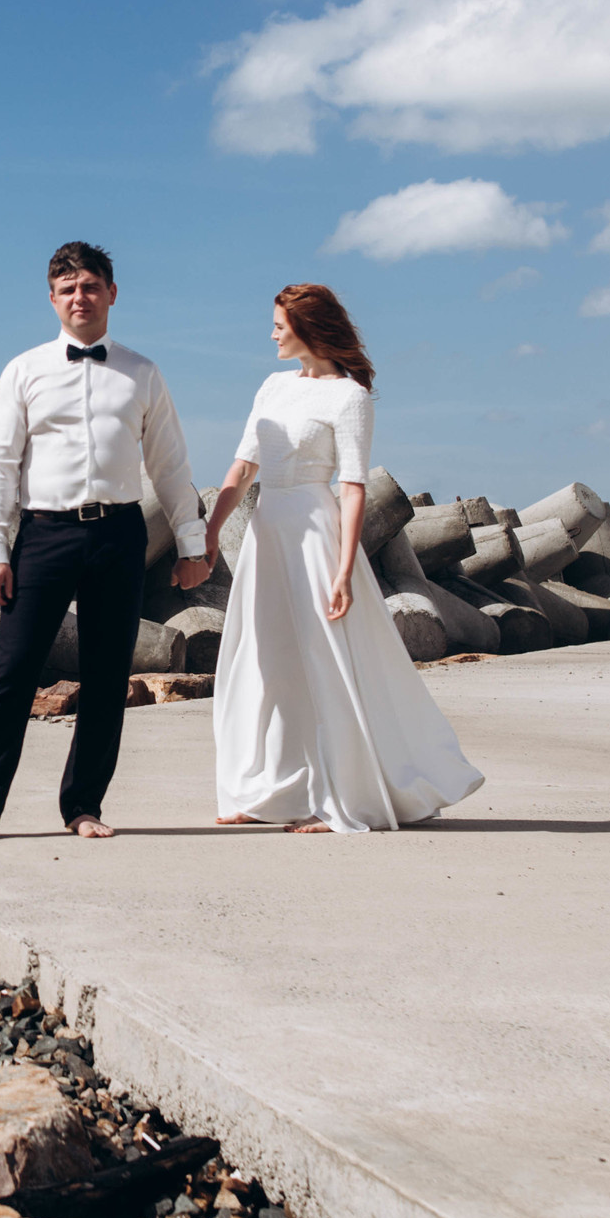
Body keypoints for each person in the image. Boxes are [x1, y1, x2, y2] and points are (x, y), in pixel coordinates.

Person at [0, 241, 207, 844]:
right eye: (67, 290)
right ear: (52, 299)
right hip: (45, 534)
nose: (80, 298)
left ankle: (83, 808)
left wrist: (192, 546)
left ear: (111, 293)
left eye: (90, 287)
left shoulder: (143, 373)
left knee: (106, 675)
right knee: (12, 673)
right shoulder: (23, 370)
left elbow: (170, 467)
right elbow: (1, 463)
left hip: (120, 534)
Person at [202, 284, 483, 832]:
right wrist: (211, 532)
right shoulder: (272, 386)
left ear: (309, 326)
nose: (272, 333)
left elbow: (352, 487)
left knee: (326, 662)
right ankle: (268, 791)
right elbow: (241, 469)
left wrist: (343, 567)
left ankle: (345, 796)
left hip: (316, 534)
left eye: (280, 323)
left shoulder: (349, 397)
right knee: (263, 659)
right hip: (267, 532)